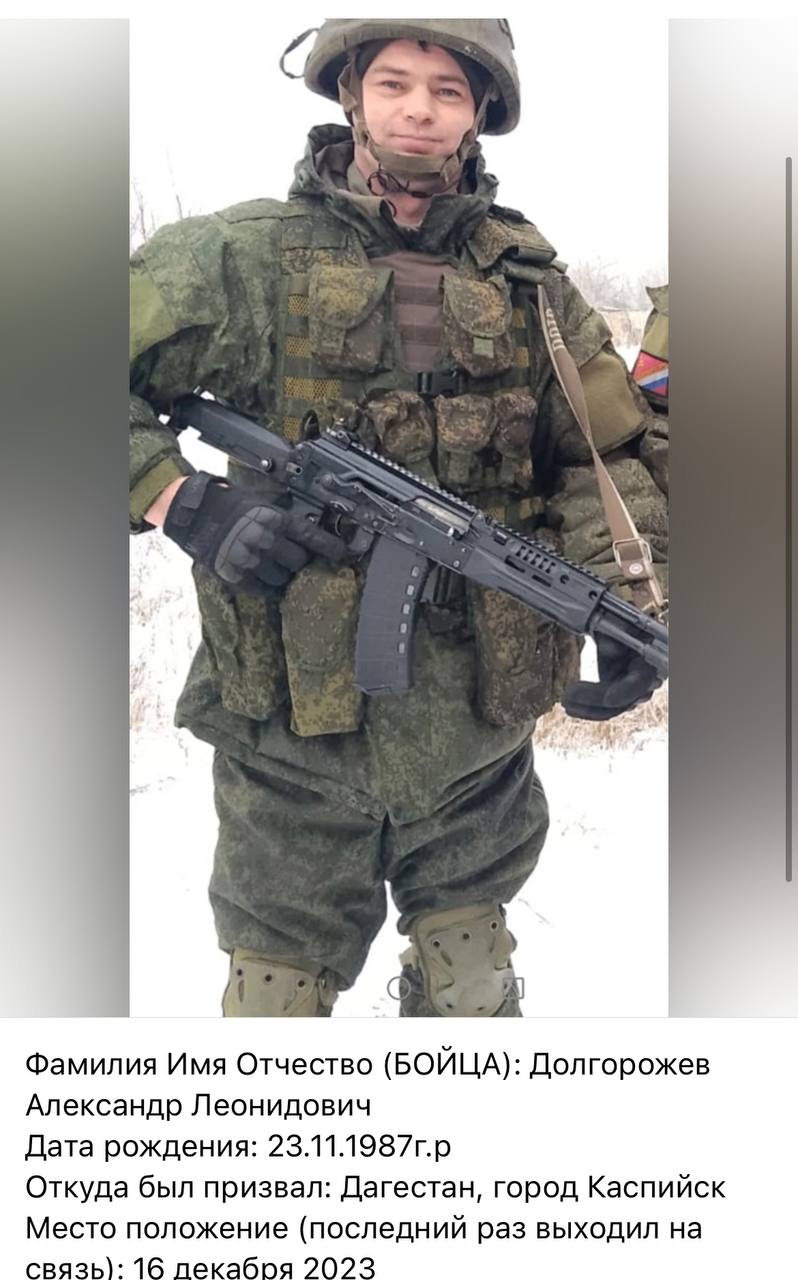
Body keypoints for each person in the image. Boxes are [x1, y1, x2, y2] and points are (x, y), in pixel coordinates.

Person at [129, 19, 668, 1018]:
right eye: (393, 83)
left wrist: (627, 602)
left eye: (447, 90)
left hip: (473, 734)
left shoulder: (530, 286)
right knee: (275, 1007)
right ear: (351, 95)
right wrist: (185, 501)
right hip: (290, 727)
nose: (419, 109)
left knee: (474, 992)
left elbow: (603, 459)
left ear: (480, 113)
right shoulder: (236, 258)